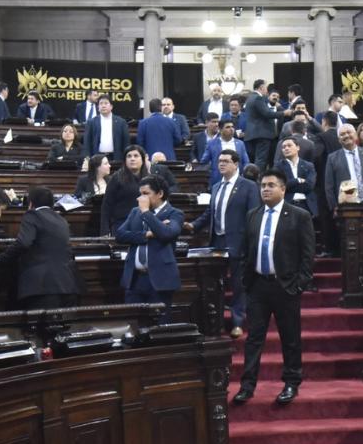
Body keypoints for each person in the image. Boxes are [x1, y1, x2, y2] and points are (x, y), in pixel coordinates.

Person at [234, 169, 315, 406]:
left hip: (286, 286)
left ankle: (291, 382)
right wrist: (246, 282)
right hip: (258, 285)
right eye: (263, 186)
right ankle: (247, 386)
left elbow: (308, 256)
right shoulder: (253, 214)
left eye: (271, 185)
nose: (265, 189)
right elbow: (246, 251)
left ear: (283, 189)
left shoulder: (299, 216)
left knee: (290, 338)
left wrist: (299, 284)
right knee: (253, 339)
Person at [184, 149, 259, 338]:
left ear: (236, 164)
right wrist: (193, 225)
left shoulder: (248, 186)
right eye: (219, 161)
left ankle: (237, 322)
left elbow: (253, 217)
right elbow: (211, 213)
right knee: (216, 284)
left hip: (239, 241)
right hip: (217, 241)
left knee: (238, 284)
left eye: (226, 161)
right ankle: (215, 323)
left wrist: (250, 243)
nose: (221, 164)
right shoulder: (216, 186)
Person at [0, 186, 82, 310]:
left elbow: (23, 243)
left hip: (42, 287)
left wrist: (0, 259)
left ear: (30, 204)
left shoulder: (32, 215)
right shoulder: (62, 220)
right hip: (68, 285)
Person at [115, 175, 183, 323]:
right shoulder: (135, 212)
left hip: (160, 279)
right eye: (140, 194)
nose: (141, 198)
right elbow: (120, 235)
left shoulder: (175, 213)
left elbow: (166, 234)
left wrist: (146, 212)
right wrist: (147, 234)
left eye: (146, 194)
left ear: (160, 194)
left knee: (158, 329)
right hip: (135, 278)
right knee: (133, 325)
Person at [324, 124, 363, 215]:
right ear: (339, 139)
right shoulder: (332, 158)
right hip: (347, 206)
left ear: (355, 134)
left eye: (349, 132)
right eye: (342, 134)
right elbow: (329, 186)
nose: (346, 136)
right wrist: (334, 207)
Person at [101, 145, 149, 235]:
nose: (132, 159)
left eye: (136, 156)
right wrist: (105, 231)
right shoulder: (116, 178)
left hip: (145, 224)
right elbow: (106, 205)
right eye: (129, 156)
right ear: (125, 160)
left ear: (142, 159)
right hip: (121, 225)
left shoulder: (150, 179)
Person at [244, 79, 290, 171]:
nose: (267, 90)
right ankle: (257, 181)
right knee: (261, 160)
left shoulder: (250, 98)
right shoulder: (258, 98)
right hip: (262, 133)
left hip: (253, 133)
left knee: (256, 159)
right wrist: (283, 113)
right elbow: (267, 113)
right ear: (261, 87)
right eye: (265, 88)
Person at [198, 119, 250, 188]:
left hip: (237, 180)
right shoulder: (212, 143)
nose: (231, 129)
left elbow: (246, 162)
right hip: (218, 180)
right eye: (228, 127)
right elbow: (204, 161)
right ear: (220, 129)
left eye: (232, 127)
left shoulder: (240, 143)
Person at [276, 136, 318, 217]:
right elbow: (281, 186)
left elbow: (309, 185)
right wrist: (297, 181)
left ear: (298, 147)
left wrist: (289, 186)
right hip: (288, 204)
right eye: (283, 147)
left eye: (289, 145)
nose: (286, 148)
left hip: (306, 205)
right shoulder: (278, 166)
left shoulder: (309, 165)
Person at [84, 94, 129, 160]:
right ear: (98, 107)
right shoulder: (91, 122)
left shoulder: (121, 122)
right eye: (101, 103)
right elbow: (87, 142)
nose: (103, 106)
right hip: (97, 157)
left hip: (116, 157)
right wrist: (88, 158)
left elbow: (126, 142)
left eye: (106, 103)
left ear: (111, 106)